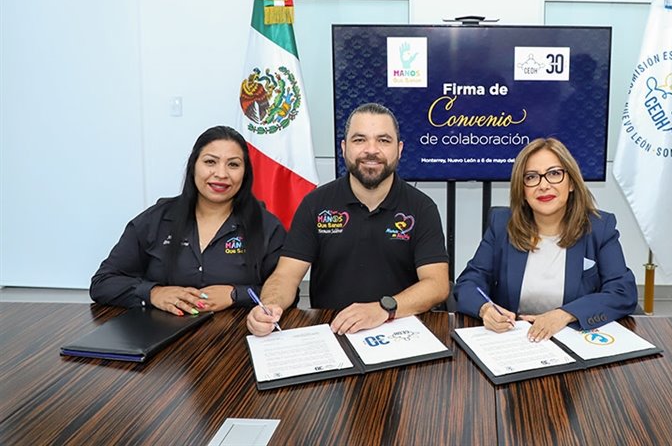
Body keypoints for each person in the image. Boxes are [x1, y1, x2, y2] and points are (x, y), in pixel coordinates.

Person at [246, 103, 449, 337]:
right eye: (359, 140)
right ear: (344, 148)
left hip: (399, 330)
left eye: (383, 140)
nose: (371, 150)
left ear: (399, 149)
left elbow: (437, 284)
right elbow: (286, 276)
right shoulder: (315, 204)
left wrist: (384, 309)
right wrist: (269, 306)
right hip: (332, 330)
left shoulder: (422, 208)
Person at [454, 138, 637, 342]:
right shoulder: (501, 225)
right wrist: (485, 309)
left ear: (571, 184)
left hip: (575, 339)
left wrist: (564, 314)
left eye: (554, 174)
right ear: (522, 191)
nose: (543, 185)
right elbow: (468, 283)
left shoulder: (599, 228)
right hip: (514, 341)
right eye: (531, 177)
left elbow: (622, 292)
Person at [90, 126, 285, 316]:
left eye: (233, 164)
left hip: (237, 338)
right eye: (210, 162)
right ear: (194, 166)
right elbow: (103, 283)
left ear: (245, 172)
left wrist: (235, 295)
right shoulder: (155, 219)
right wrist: (153, 293)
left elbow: (285, 293)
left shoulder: (267, 226)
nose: (221, 174)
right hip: (160, 338)